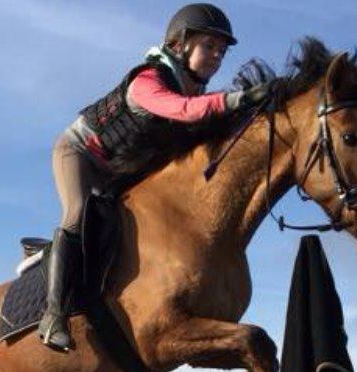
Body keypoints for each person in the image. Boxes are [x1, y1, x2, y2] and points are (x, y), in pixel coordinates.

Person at [39, 3, 271, 352]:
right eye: (209, 46)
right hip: (79, 153)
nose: (216, 57)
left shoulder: (190, 90)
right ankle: (53, 316)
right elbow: (185, 111)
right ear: (180, 44)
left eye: (221, 52)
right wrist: (236, 99)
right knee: (78, 214)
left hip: (116, 168)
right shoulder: (148, 81)